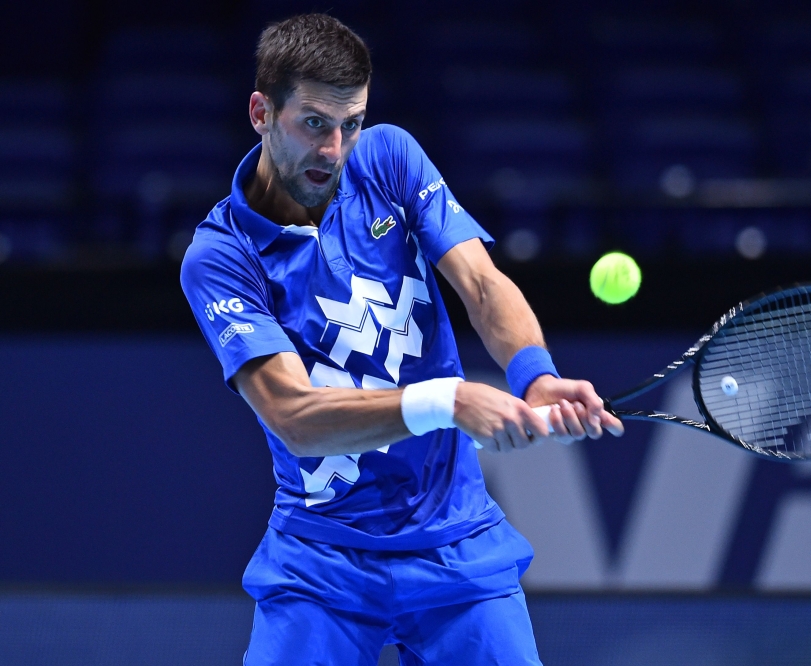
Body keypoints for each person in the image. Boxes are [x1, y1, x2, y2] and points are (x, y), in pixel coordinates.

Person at [180, 13, 623, 666]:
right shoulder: (221, 257)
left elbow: (480, 282)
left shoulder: (388, 159)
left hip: (455, 540)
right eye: (313, 123)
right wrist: (446, 400)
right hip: (322, 559)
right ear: (260, 112)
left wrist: (535, 374)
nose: (334, 150)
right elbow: (295, 418)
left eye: (349, 124)